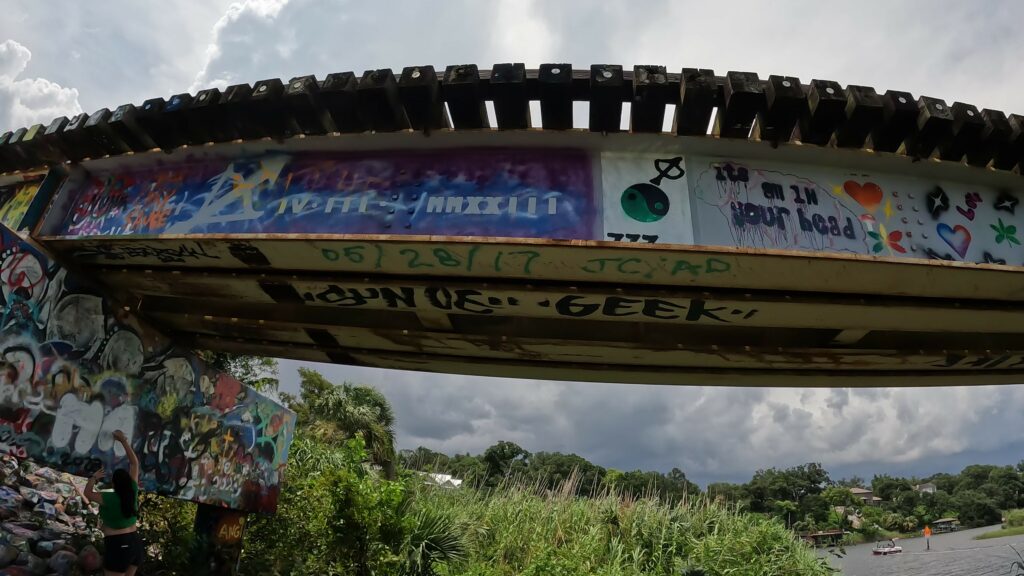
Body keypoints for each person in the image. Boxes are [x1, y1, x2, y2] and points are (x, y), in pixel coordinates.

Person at [83, 430, 142, 576]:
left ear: (114, 484)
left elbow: (87, 494)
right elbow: (134, 464)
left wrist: (93, 478)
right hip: (135, 542)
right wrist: (123, 441)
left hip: (118, 545)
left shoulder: (109, 498)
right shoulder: (132, 490)